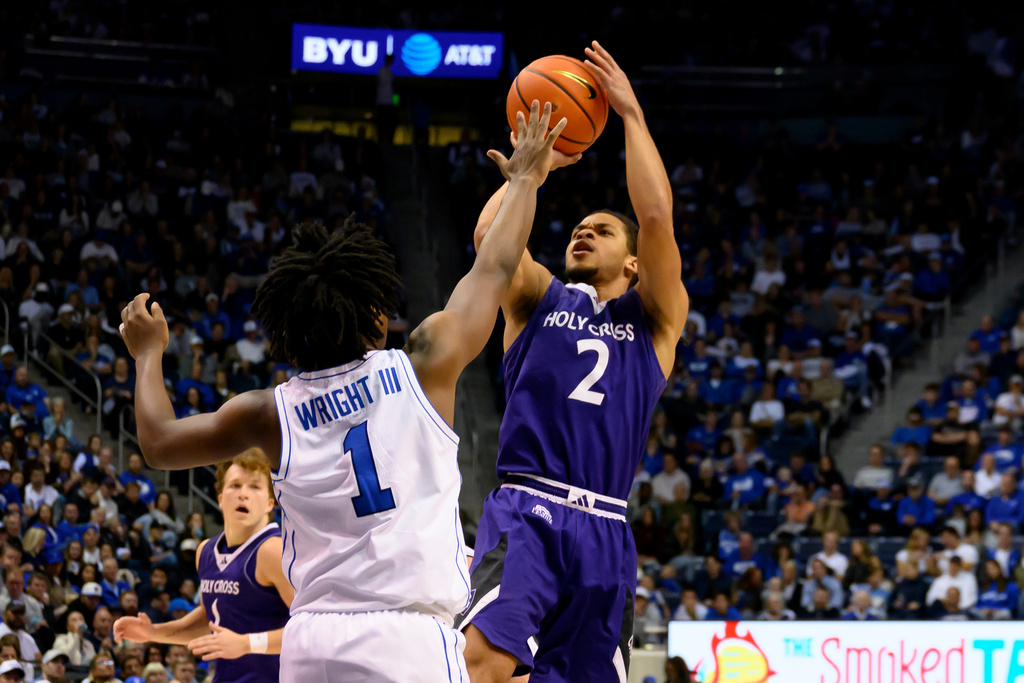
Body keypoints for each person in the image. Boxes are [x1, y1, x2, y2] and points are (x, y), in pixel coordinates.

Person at [118, 102, 570, 682]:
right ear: (376, 316)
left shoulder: (268, 414)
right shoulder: (424, 364)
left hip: (311, 641)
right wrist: (527, 180)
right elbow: (494, 266)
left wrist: (149, 354)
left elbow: (156, 443)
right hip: (408, 635)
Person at [457, 43, 689, 682]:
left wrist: (632, 118)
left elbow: (657, 216)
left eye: (602, 231)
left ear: (634, 263)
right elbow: (489, 244)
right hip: (528, 508)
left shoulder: (655, 323)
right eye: (578, 229)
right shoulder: (538, 298)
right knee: (482, 660)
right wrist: (532, 172)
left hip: (606, 529)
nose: (582, 233)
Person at [114, 451, 292, 683]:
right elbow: (212, 617)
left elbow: (311, 629)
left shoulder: (272, 550)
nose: (243, 494)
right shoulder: (206, 552)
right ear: (220, 498)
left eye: (255, 487)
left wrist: (246, 643)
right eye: (235, 485)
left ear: (270, 503)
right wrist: (153, 632)